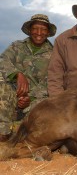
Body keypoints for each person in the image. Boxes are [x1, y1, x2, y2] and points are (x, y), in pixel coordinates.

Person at [0, 14, 56, 142]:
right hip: (13, 97)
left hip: (34, 100)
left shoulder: (54, 53)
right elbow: (3, 60)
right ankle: (3, 133)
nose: (39, 33)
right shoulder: (16, 46)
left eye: (43, 29)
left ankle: (25, 135)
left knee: (47, 106)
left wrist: (29, 98)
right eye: (35, 28)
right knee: (2, 84)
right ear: (30, 30)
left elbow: (52, 80)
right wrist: (17, 74)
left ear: (48, 33)